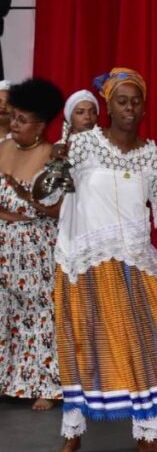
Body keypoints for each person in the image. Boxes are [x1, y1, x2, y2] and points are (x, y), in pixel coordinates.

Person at [52, 67, 157, 452]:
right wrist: (56, 161)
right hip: (88, 262)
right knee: (85, 346)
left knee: (147, 345)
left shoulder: (153, 155)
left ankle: (149, 434)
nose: (129, 107)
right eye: (121, 101)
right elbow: (55, 188)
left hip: (136, 262)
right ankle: (73, 432)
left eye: (135, 101)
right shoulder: (84, 145)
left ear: (144, 106)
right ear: (108, 105)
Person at [0, 78, 64, 410]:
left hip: (34, 247)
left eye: (22, 120)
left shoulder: (50, 156)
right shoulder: (2, 147)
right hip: (2, 244)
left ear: (40, 124)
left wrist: (18, 207)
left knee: (39, 313)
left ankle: (47, 385)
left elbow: (49, 208)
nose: (14, 124)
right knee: (4, 311)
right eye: (14, 116)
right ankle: (7, 380)